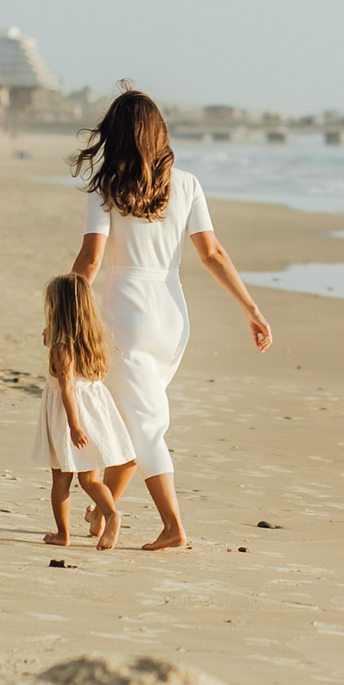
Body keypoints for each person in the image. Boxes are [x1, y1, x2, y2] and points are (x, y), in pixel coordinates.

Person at [69, 87, 272, 550]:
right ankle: (104, 514)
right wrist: (252, 309)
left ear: (116, 135)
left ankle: (172, 526)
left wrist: (67, 311)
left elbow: (91, 260)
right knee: (132, 416)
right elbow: (212, 253)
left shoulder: (107, 188)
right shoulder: (187, 184)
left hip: (127, 313)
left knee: (144, 425)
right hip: (172, 315)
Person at [35, 274, 136, 551]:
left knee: (61, 479)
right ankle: (112, 514)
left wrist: (73, 425)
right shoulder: (92, 340)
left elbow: (67, 387)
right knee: (90, 479)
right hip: (94, 410)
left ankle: (62, 534)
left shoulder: (61, 347)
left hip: (70, 415)